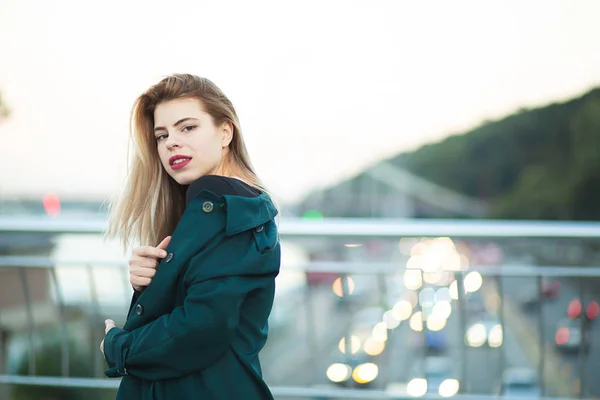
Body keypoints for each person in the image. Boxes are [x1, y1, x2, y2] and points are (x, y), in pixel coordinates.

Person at [101, 73, 281, 400]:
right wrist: (150, 283)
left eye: (187, 127)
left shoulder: (228, 210)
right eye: (161, 135)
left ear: (225, 132)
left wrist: (116, 345)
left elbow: (199, 330)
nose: (171, 142)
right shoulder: (213, 207)